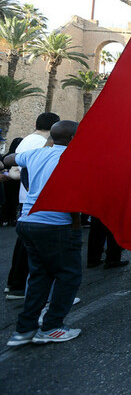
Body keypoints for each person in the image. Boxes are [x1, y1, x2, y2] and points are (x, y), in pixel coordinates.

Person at [3, 121, 84, 346]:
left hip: (27, 222)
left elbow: (9, 159)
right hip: (56, 225)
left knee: (39, 276)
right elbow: (71, 195)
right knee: (69, 275)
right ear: (72, 138)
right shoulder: (73, 159)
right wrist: (75, 224)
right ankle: (52, 326)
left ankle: (24, 330)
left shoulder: (36, 154)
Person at [4, 112, 60, 301]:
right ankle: (18, 287)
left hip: (28, 200)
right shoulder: (40, 143)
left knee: (25, 245)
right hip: (36, 202)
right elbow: (25, 171)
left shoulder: (28, 139)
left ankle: (15, 284)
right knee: (30, 249)